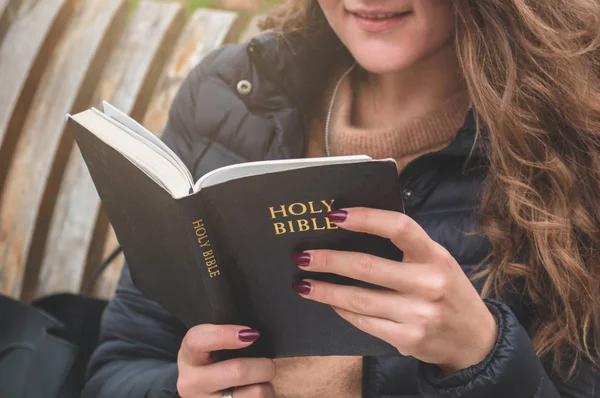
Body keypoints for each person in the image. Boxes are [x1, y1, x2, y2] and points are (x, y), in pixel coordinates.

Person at [82, 0, 600, 397]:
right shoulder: (231, 97)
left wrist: (481, 357)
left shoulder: (576, 143)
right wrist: (179, 389)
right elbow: (121, 363)